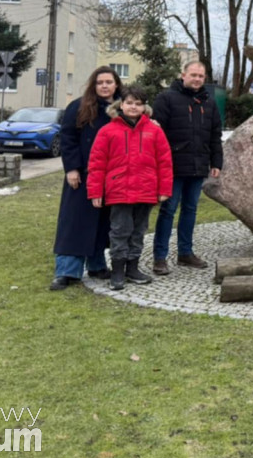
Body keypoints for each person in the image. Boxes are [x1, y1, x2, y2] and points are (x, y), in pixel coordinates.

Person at [87, 85, 174, 291]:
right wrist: (95, 191)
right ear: (121, 105)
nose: (133, 107)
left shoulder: (154, 131)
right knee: (119, 231)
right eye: (129, 103)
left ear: (144, 107)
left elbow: (164, 162)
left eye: (138, 104)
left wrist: (164, 189)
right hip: (119, 191)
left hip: (146, 190)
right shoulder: (108, 131)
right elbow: (97, 163)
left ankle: (132, 268)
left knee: (138, 231)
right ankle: (117, 270)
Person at [49, 66, 123, 291]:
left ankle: (97, 265)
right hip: (82, 175)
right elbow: (68, 138)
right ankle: (67, 271)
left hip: (110, 176)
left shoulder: (122, 109)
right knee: (75, 222)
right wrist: (71, 168)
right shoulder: (79, 107)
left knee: (102, 224)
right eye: (100, 82)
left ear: (116, 84)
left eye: (108, 82)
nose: (104, 86)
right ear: (94, 84)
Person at [151, 61, 223, 274]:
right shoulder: (166, 98)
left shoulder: (208, 103)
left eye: (201, 76)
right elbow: (156, 133)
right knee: (168, 211)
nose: (197, 79)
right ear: (183, 75)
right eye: (193, 75)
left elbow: (215, 135)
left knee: (190, 210)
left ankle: (185, 253)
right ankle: (160, 257)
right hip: (172, 166)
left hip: (198, 166)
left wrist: (216, 162)